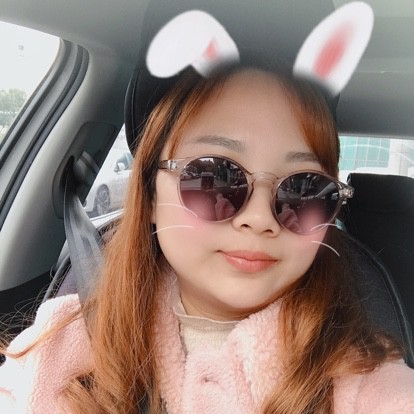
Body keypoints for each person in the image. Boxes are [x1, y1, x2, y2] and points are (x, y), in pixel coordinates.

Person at [1, 65, 414, 413]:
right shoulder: (59, 348)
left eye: (304, 189)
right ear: (149, 194)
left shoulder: (361, 378)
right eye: (215, 177)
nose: (260, 219)